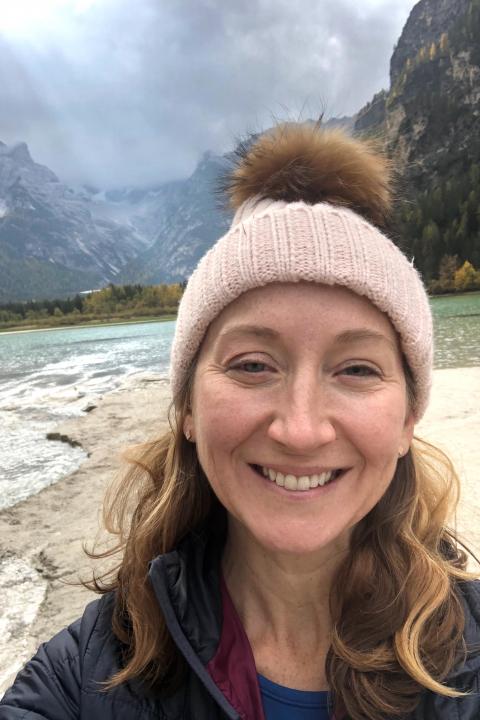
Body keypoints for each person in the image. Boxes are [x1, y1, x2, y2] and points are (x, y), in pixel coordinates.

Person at [1, 122, 479, 720]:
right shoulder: (82, 677)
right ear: (189, 409)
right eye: (253, 364)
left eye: (356, 369)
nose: (301, 430)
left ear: (409, 416)